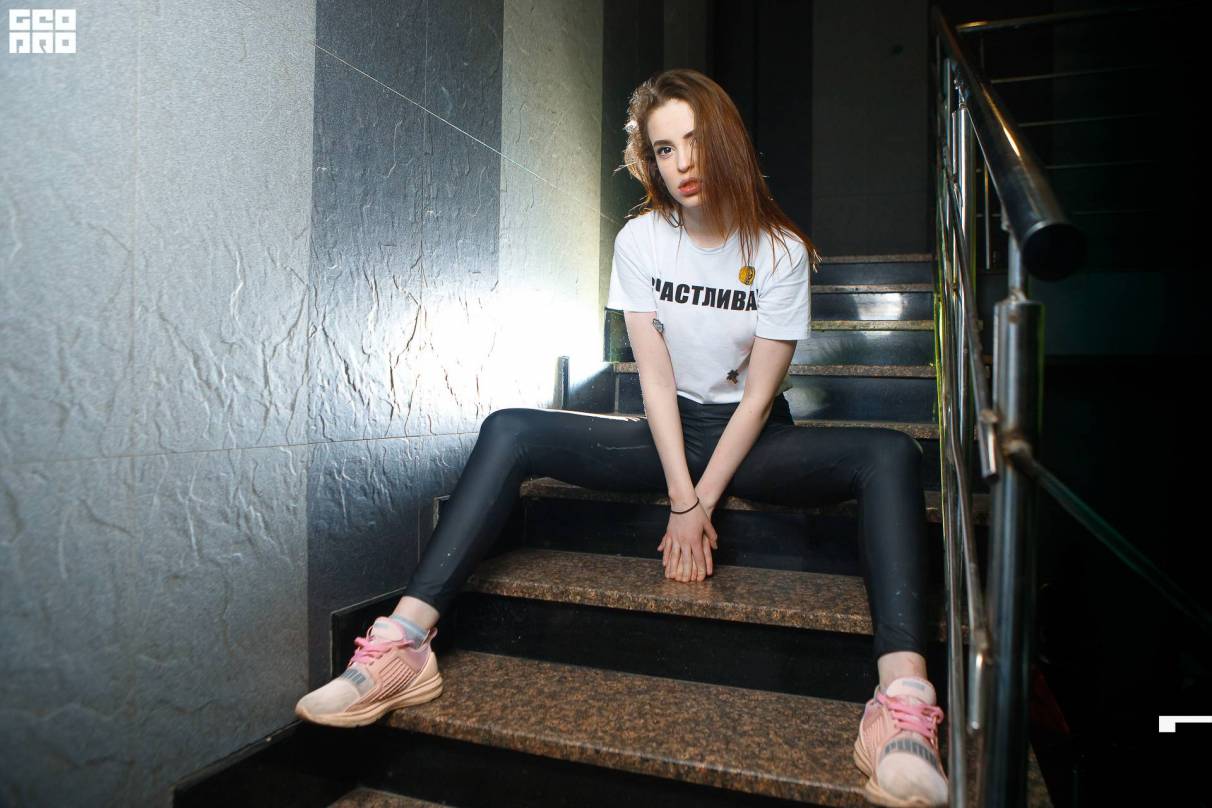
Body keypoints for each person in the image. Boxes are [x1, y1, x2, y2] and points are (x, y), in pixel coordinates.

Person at [295, 68, 948, 808]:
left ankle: (900, 705)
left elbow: (760, 396)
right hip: (667, 429)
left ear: (727, 141)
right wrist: (679, 497)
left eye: (694, 141)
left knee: (891, 453)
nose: (683, 164)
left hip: (752, 437)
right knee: (510, 428)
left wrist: (702, 502)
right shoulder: (642, 240)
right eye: (665, 150)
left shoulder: (779, 251)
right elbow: (655, 381)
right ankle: (405, 644)